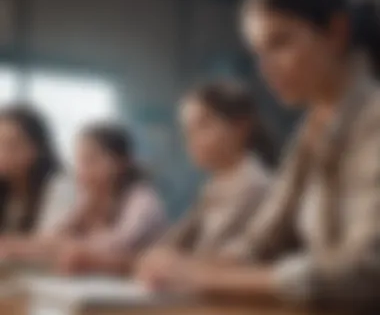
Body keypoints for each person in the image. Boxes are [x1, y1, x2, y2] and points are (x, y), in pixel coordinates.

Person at [136, 0, 380, 310]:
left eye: (280, 43)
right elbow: (261, 241)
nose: (265, 68)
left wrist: (207, 276)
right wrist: (189, 267)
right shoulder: (311, 130)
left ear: (336, 32)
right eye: (258, 53)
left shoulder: (373, 118)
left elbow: (369, 268)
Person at [138, 80, 274, 285]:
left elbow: (219, 258)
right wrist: (159, 257)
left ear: (240, 127)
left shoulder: (256, 186)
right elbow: (172, 243)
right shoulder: (213, 187)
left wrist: (175, 264)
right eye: (186, 130)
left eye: (203, 125)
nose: (190, 139)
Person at [0, 123, 167, 275]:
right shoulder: (89, 199)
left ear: (120, 163)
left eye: (91, 160)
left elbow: (118, 245)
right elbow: (52, 237)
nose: (81, 171)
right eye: (79, 161)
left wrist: (66, 245)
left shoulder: (142, 199)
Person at [0, 104, 64, 235]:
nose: (3, 153)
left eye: (12, 145)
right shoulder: (7, 189)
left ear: (37, 149)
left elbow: (50, 243)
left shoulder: (58, 187)